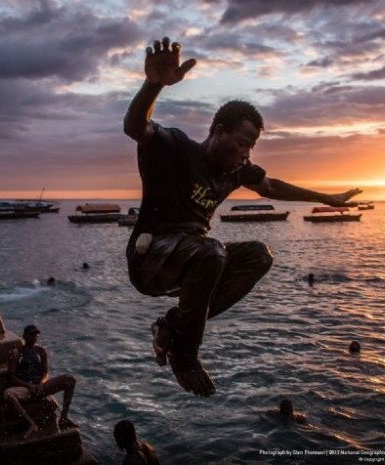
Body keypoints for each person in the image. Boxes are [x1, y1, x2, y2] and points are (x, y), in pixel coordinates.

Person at [123, 37, 362, 397]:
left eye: (252, 146)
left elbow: (273, 187)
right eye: (243, 142)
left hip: (194, 260)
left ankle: (172, 325)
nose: (247, 153)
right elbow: (136, 126)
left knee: (258, 255)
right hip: (152, 259)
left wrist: (327, 198)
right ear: (219, 132)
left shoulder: (234, 172)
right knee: (211, 250)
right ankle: (184, 357)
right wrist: (153, 84)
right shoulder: (174, 147)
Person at [4, 324, 78, 438]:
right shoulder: (17, 353)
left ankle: (64, 417)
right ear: (24, 336)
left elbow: (45, 372)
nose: (34, 337)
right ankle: (30, 423)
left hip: (41, 386)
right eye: (31, 335)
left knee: (69, 380)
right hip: (25, 388)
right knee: (8, 394)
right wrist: (29, 385)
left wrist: (41, 383)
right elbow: (12, 377)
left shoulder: (41, 351)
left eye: (36, 335)